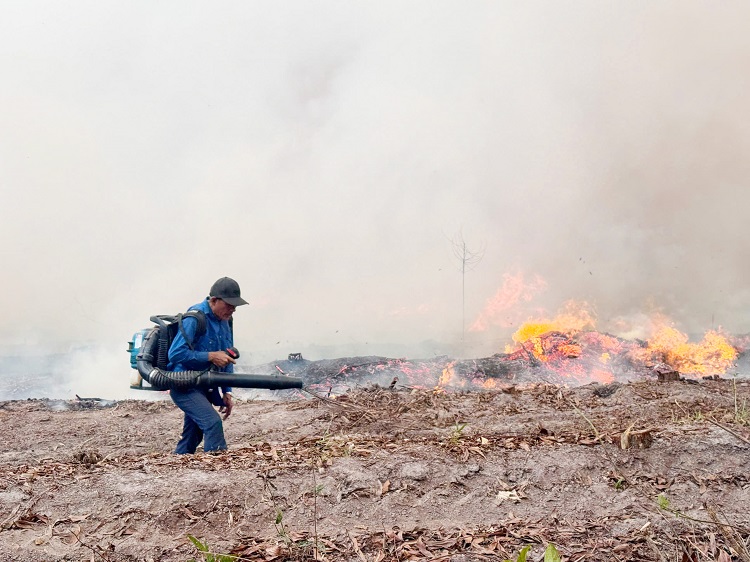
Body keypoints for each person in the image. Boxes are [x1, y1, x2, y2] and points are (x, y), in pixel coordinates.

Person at [167, 277, 248, 454]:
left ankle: (179, 462)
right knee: (212, 423)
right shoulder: (195, 318)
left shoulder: (226, 320)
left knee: (193, 435)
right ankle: (217, 465)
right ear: (214, 300)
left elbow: (228, 356)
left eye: (235, 306)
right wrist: (210, 356)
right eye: (229, 305)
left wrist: (227, 391)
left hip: (205, 385)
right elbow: (175, 354)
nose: (233, 309)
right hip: (184, 384)